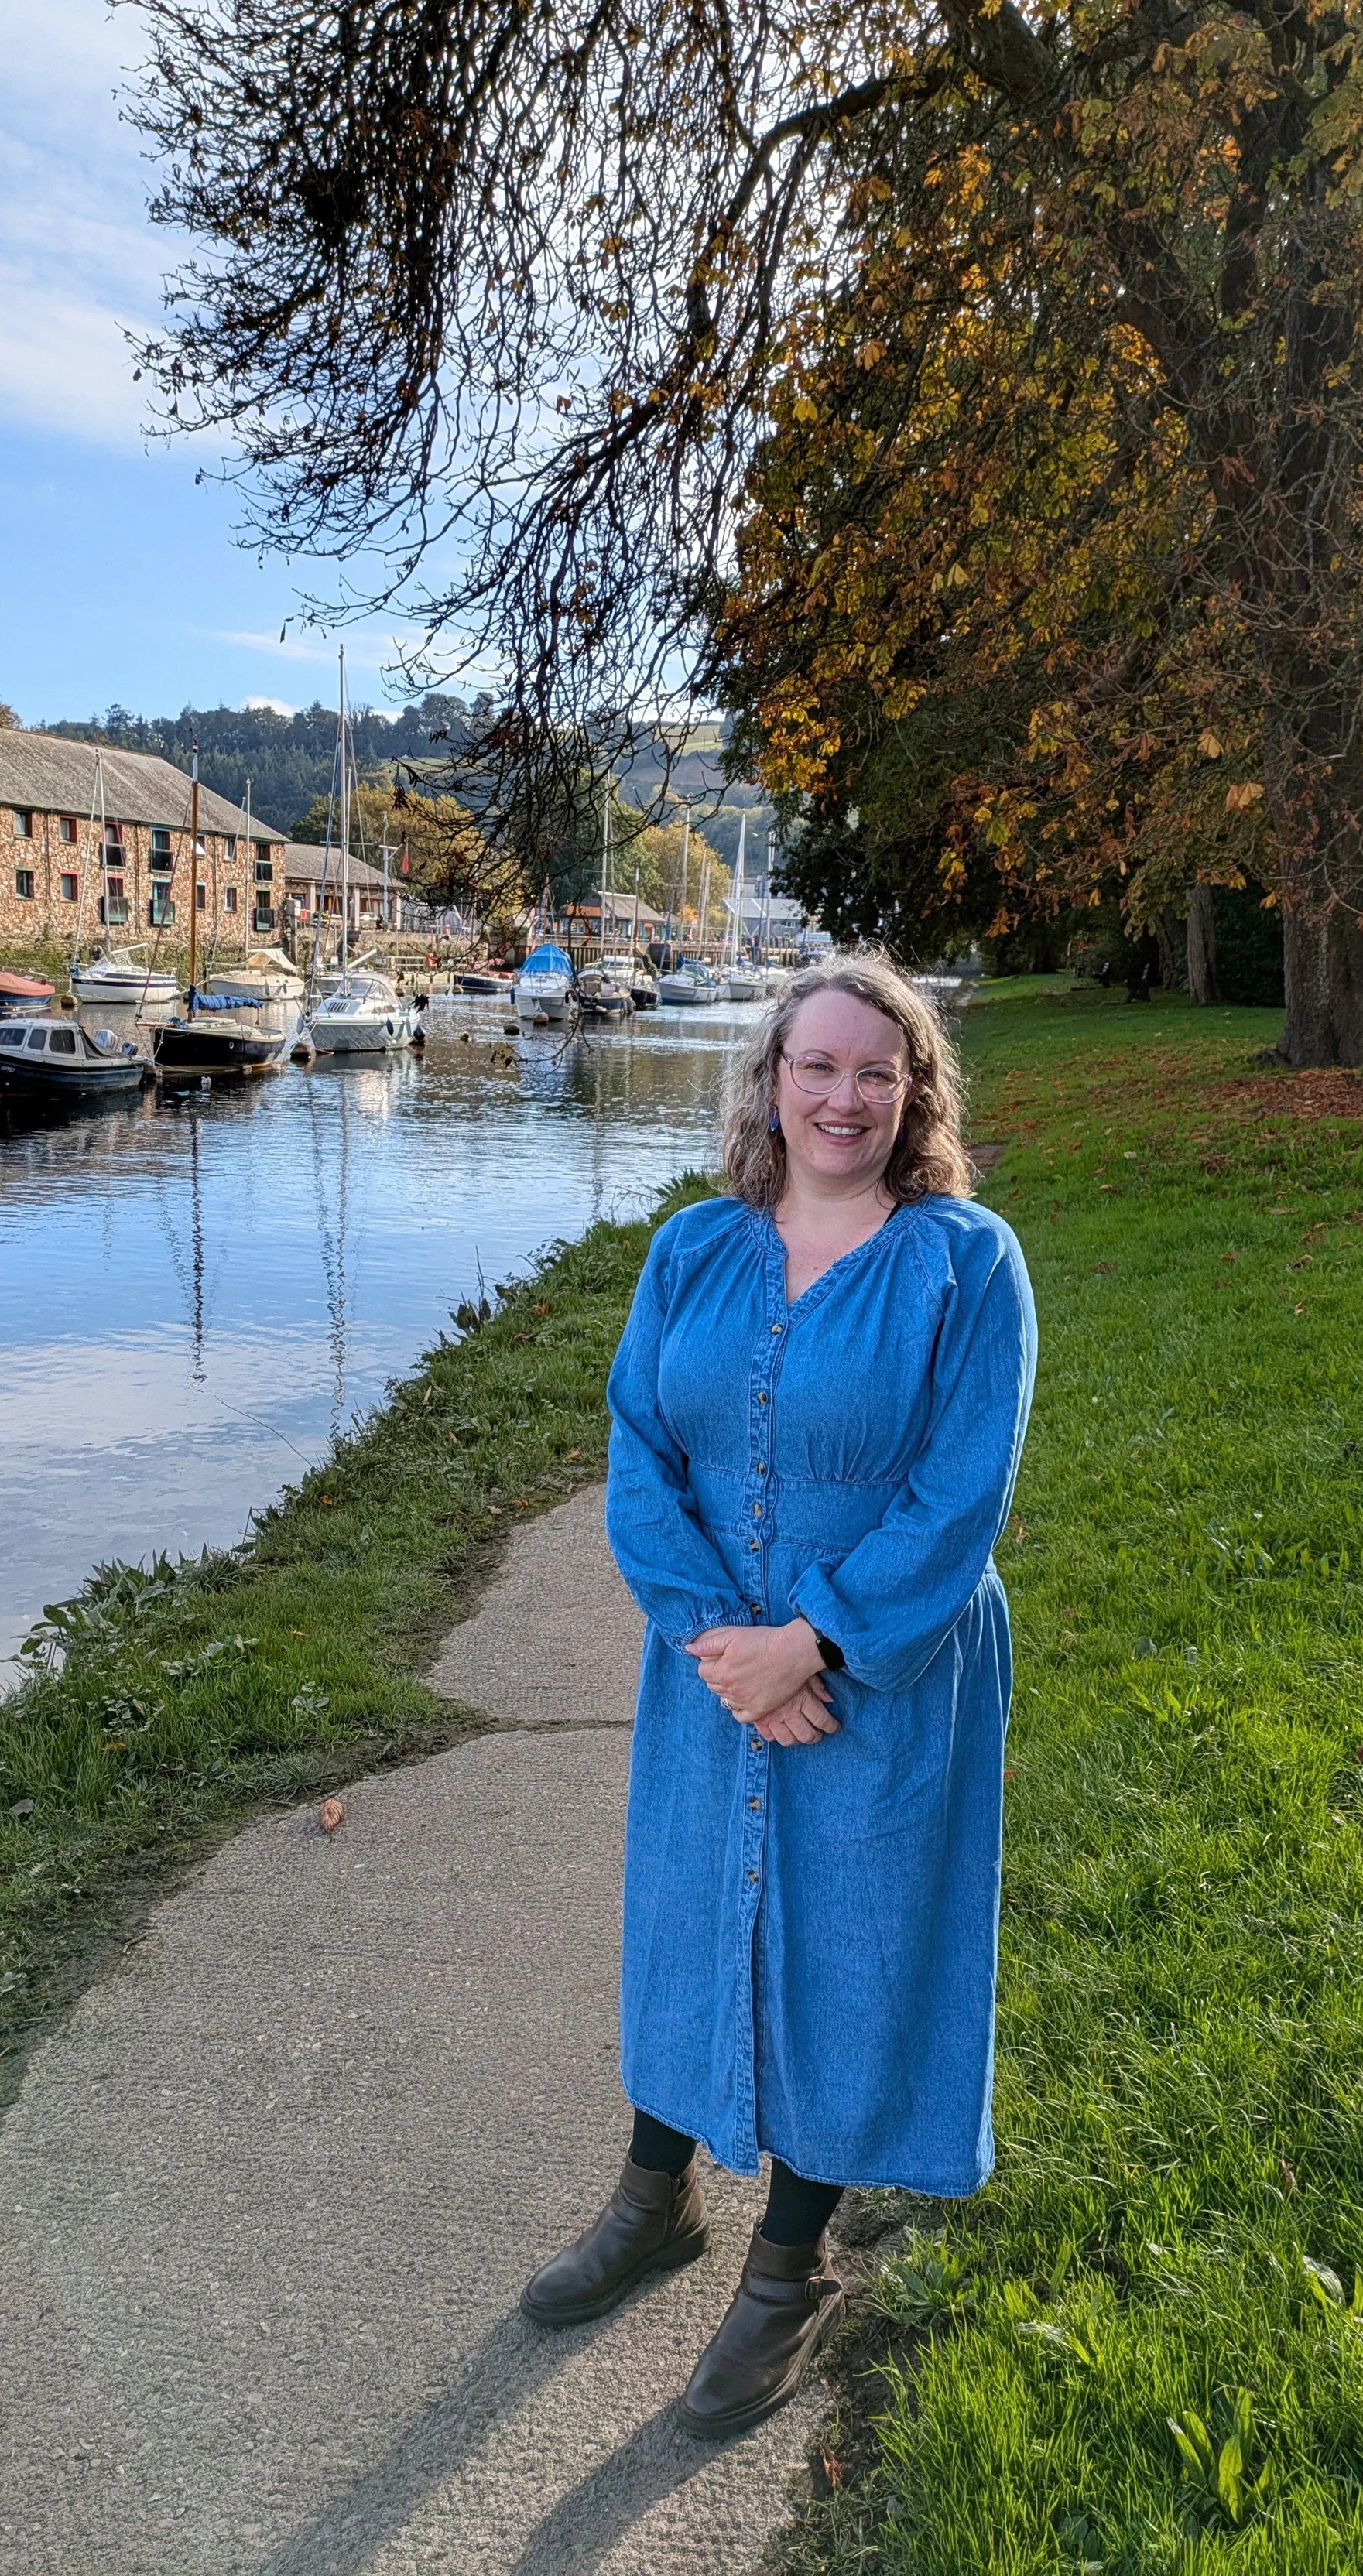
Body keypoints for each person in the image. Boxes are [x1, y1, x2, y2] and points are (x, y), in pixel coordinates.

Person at [521, 952, 1036, 2439]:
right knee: (693, 1912)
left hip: (886, 1665)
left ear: (915, 1094)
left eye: (879, 1073)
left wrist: (810, 1642)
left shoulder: (964, 1260)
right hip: (708, 1668)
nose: (845, 1096)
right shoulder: (693, 1249)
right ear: (771, 1080)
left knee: (850, 1946)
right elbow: (637, 1453)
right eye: (818, 1066)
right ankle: (653, 2198)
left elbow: (961, 1491)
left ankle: (787, 2273)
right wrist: (716, 1641)